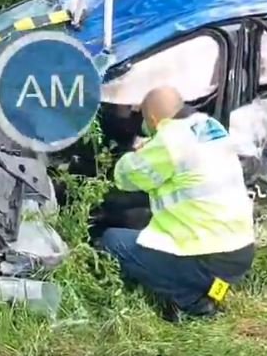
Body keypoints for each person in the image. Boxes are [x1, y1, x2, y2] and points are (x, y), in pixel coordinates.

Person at [99, 86, 256, 321]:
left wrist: (134, 153)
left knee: (112, 241)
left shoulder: (169, 140)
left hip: (206, 256)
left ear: (151, 118)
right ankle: (206, 286)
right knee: (145, 228)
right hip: (240, 251)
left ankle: (192, 302)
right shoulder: (209, 126)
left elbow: (125, 177)